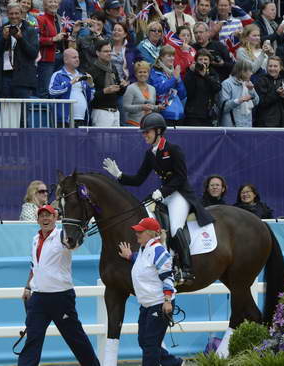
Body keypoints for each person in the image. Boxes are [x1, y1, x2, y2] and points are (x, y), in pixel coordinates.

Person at [103, 112, 215, 283]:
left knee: (176, 226)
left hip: (180, 194)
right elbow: (139, 179)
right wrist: (119, 175)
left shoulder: (173, 149)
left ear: (158, 132)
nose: (144, 135)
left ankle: (186, 269)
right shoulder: (150, 154)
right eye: (143, 132)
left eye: (147, 132)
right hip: (164, 194)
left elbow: (180, 177)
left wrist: (162, 192)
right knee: (143, 218)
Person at [18, 204, 100, 366]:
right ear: (37, 219)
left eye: (49, 215)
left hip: (61, 297)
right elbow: (34, 266)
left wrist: (79, 233)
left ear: (56, 218)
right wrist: (28, 287)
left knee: (76, 339)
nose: (45, 218)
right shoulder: (35, 239)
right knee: (32, 339)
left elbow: (74, 243)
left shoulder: (63, 235)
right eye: (42, 216)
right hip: (38, 298)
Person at [117, 217, 183, 366]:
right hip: (148, 304)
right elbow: (145, 265)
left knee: (150, 345)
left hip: (160, 304)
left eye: (140, 232)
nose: (137, 234)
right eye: (137, 231)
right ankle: (174, 363)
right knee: (144, 341)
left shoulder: (158, 250)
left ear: (151, 233)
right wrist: (130, 256)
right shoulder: (144, 249)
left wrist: (167, 301)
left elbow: (167, 278)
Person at [0, 2, 39, 98]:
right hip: (4, 77)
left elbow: (33, 53)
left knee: (22, 111)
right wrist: (3, 38)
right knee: (4, 111)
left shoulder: (30, 30)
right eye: (11, 13)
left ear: (21, 14)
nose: (14, 16)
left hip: (23, 79)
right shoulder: (3, 29)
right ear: (7, 14)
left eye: (16, 13)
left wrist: (20, 38)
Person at [49, 48, 94, 126]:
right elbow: (52, 91)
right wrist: (70, 83)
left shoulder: (82, 76)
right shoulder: (58, 75)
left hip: (82, 119)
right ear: (65, 60)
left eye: (78, 57)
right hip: (64, 120)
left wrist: (91, 85)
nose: (77, 59)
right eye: (74, 57)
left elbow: (90, 98)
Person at [89, 39, 128, 127]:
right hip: (100, 112)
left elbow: (119, 93)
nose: (109, 53)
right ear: (98, 53)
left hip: (115, 111)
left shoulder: (112, 68)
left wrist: (123, 86)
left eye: (110, 51)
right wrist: (105, 91)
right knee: (101, 141)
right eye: (106, 51)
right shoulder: (92, 70)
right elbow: (89, 96)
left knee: (115, 141)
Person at [36, 0, 67, 98]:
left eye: (55, 1)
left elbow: (60, 36)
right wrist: (52, 39)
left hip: (60, 58)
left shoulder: (59, 19)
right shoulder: (40, 19)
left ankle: (54, 113)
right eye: (50, 1)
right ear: (44, 4)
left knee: (57, 90)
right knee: (45, 90)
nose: (53, 4)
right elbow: (36, 40)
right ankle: (43, 112)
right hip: (46, 60)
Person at [149, 45, 186, 125]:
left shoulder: (174, 72)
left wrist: (178, 80)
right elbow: (160, 90)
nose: (172, 58)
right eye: (169, 56)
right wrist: (174, 79)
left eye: (173, 56)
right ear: (161, 57)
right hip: (163, 115)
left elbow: (182, 95)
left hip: (178, 114)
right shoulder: (155, 71)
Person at [183, 49, 221, 126]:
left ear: (210, 61)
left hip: (209, 114)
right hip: (193, 115)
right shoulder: (191, 73)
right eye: (200, 59)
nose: (203, 61)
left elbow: (217, 88)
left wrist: (205, 75)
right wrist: (191, 72)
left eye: (205, 59)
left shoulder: (213, 73)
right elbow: (188, 91)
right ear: (196, 61)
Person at [254, 56, 284, 127]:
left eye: (275, 66)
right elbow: (261, 103)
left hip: (282, 123)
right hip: (265, 123)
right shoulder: (261, 81)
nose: (272, 68)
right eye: (270, 66)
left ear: (280, 68)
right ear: (267, 67)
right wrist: (276, 93)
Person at [219, 59, 259, 127]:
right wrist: (239, 100)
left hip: (247, 125)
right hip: (231, 126)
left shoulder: (247, 83)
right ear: (242, 71)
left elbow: (256, 102)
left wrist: (251, 90)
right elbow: (224, 107)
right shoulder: (226, 84)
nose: (251, 73)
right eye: (250, 71)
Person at [122, 61, 161, 126]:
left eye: (145, 72)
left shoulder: (152, 89)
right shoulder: (131, 88)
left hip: (148, 125)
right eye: (140, 72)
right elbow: (126, 107)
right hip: (133, 124)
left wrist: (158, 108)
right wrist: (141, 107)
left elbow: (151, 107)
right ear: (136, 74)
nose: (142, 74)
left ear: (148, 74)